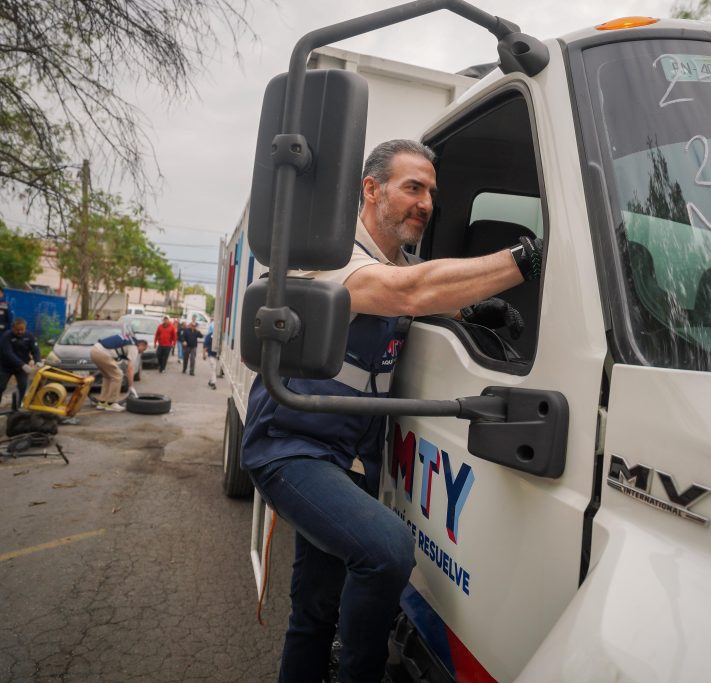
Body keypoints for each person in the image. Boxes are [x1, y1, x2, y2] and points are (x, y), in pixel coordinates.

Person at [241, 139, 540, 683]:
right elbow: (406, 293)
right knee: (386, 552)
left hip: (351, 458)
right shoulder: (329, 258)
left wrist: (475, 310)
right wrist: (525, 259)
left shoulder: (398, 263)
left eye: (431, 192)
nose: (426, 203)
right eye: (413, 188)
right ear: (372, 190)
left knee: (314, 610)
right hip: (292, 448)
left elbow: (424, 287)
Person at [89, 328, 147, 412]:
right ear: (141, 345)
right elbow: (130, 368)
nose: (142, 352)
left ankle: (102, 402)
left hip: (94, 351)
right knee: (118, 375)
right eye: (143, 349)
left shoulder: (129, 340)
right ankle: (111, 403)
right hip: (102, 353)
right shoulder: (134, 347)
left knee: (108, 377)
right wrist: (131, 386)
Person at [0, 318, 41, 411]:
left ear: (25, 328)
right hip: (6, 367)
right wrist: (22, 365)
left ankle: (18, 407)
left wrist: (38, 361)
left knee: (23, 387)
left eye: (22, 329)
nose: (20, 332)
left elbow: (35, 350)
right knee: (1, 386)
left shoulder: (29, 336)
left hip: (21, 369)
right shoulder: (6, 336)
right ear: (12, 328)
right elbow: (8, 353)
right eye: (17, 330)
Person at [202, 323, 217, 389]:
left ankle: (211, 380)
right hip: (211, 355)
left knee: (214, 369)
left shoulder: (219, 336)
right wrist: (204, 354)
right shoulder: (209, 336)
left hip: (217, 356)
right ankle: (213, 382)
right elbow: (205, 346)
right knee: (213, 367)